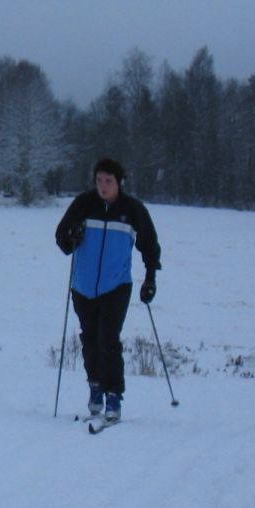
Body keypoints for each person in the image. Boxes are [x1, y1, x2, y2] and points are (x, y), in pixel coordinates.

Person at [54, 158, 161, 421]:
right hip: (83, 285)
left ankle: (114, 394)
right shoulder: (83, 204)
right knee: (90, 339)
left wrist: (149, 279)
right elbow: (61, 238)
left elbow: (149, 244)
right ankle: (95, 387)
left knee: (109, 339)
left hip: (116, 285)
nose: (103, 186)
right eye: (99, 180)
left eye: (108, 181)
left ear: (119, 182)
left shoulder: (132, 209)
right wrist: (72, 237)